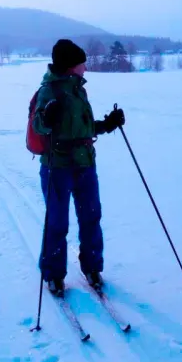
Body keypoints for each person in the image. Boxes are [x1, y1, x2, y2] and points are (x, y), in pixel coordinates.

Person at [33, 39, 125, 296]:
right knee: (57, 222)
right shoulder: (49, 90)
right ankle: (53, 274)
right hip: (57, 166)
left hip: (85, 164)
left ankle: (93, 267)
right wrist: (46, 118)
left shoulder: (78, 90)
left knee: (91, 217)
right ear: (71, 65)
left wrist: (108, 124)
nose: (86, 67)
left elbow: (81, 129)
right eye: (82, 63)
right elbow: (40, 126)